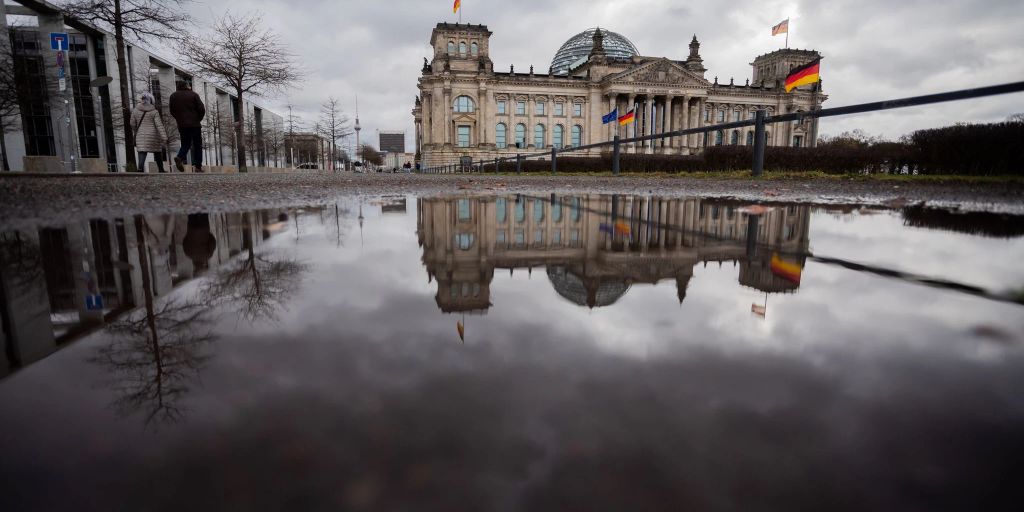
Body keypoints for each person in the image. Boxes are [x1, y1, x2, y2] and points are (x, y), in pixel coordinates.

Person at [169, 81, 206, 173]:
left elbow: (172, 110)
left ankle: (180, 157)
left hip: (182, 124)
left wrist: (179, 119)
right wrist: (198, 119)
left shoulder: (173, 96)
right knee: (197, 145)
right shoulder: (193, 95)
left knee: (186, 143)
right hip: (195, 124)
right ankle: (198, 167)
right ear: (187, 86)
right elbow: (201, 109)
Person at [130, 92, 168, 173]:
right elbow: (159, 125)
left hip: (140, 134)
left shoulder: (135, 110)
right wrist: (164, 137)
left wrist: (136, 130)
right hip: (153, 135)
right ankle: (161, 169)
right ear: (151, 100)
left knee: (142, 151)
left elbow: (132, 123)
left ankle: (140, 168)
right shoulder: (154, 111)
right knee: (157, 152)